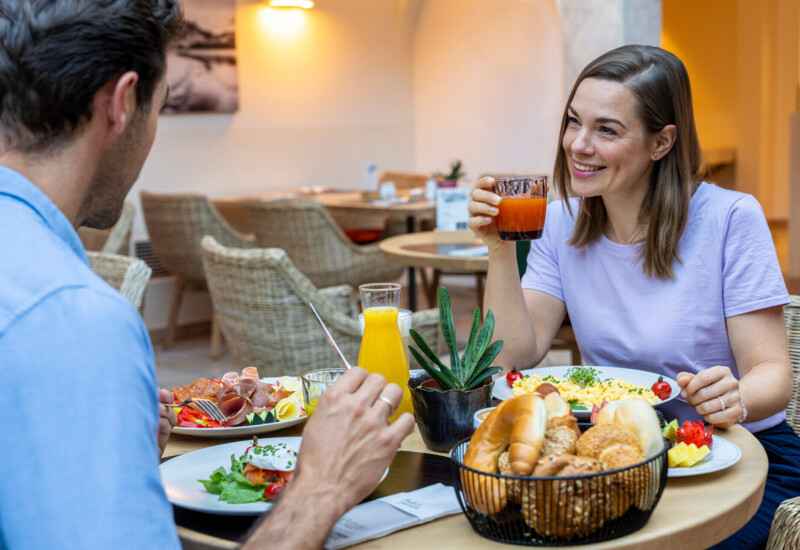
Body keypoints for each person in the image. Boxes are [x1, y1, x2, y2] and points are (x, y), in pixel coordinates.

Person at [0, 2, 413, 549]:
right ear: (122, 102)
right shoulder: (76, 319)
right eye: (161, 105)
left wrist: (113, 457)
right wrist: (321, 486)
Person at [468, 44, 800, 549]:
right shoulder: (560, 221)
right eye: (573, 122)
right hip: (614, 451)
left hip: (734, 453)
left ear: (661, 142)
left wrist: (734, 397)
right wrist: (498, 250)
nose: (578, 145)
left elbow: (774, 377)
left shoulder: (731, 217)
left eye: (607, 130)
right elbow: (515, 355)